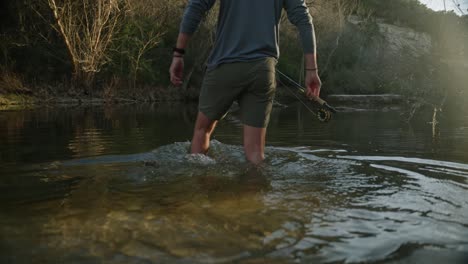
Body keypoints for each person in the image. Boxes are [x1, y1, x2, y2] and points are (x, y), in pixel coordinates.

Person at [169, 0, 321, 164]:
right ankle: (254, 187)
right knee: (256, 152)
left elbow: (195, 8)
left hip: (224, 66)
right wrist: (311, 70)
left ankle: (197, 183)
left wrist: (178, 54)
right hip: (263, 71)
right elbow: (304, 20)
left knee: (202, 131)